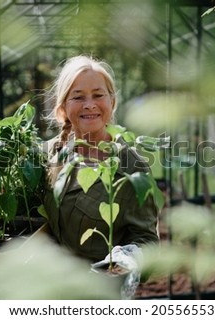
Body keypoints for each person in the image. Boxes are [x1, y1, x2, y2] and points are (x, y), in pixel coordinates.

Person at [41, 55, 160, 263]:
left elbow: (146, 240)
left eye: (98, 95)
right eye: (78, 97)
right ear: (63, 108)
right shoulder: (48, 153)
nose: (89, 105)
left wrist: (125, 260)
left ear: (112, 102)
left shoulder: (132, 167)